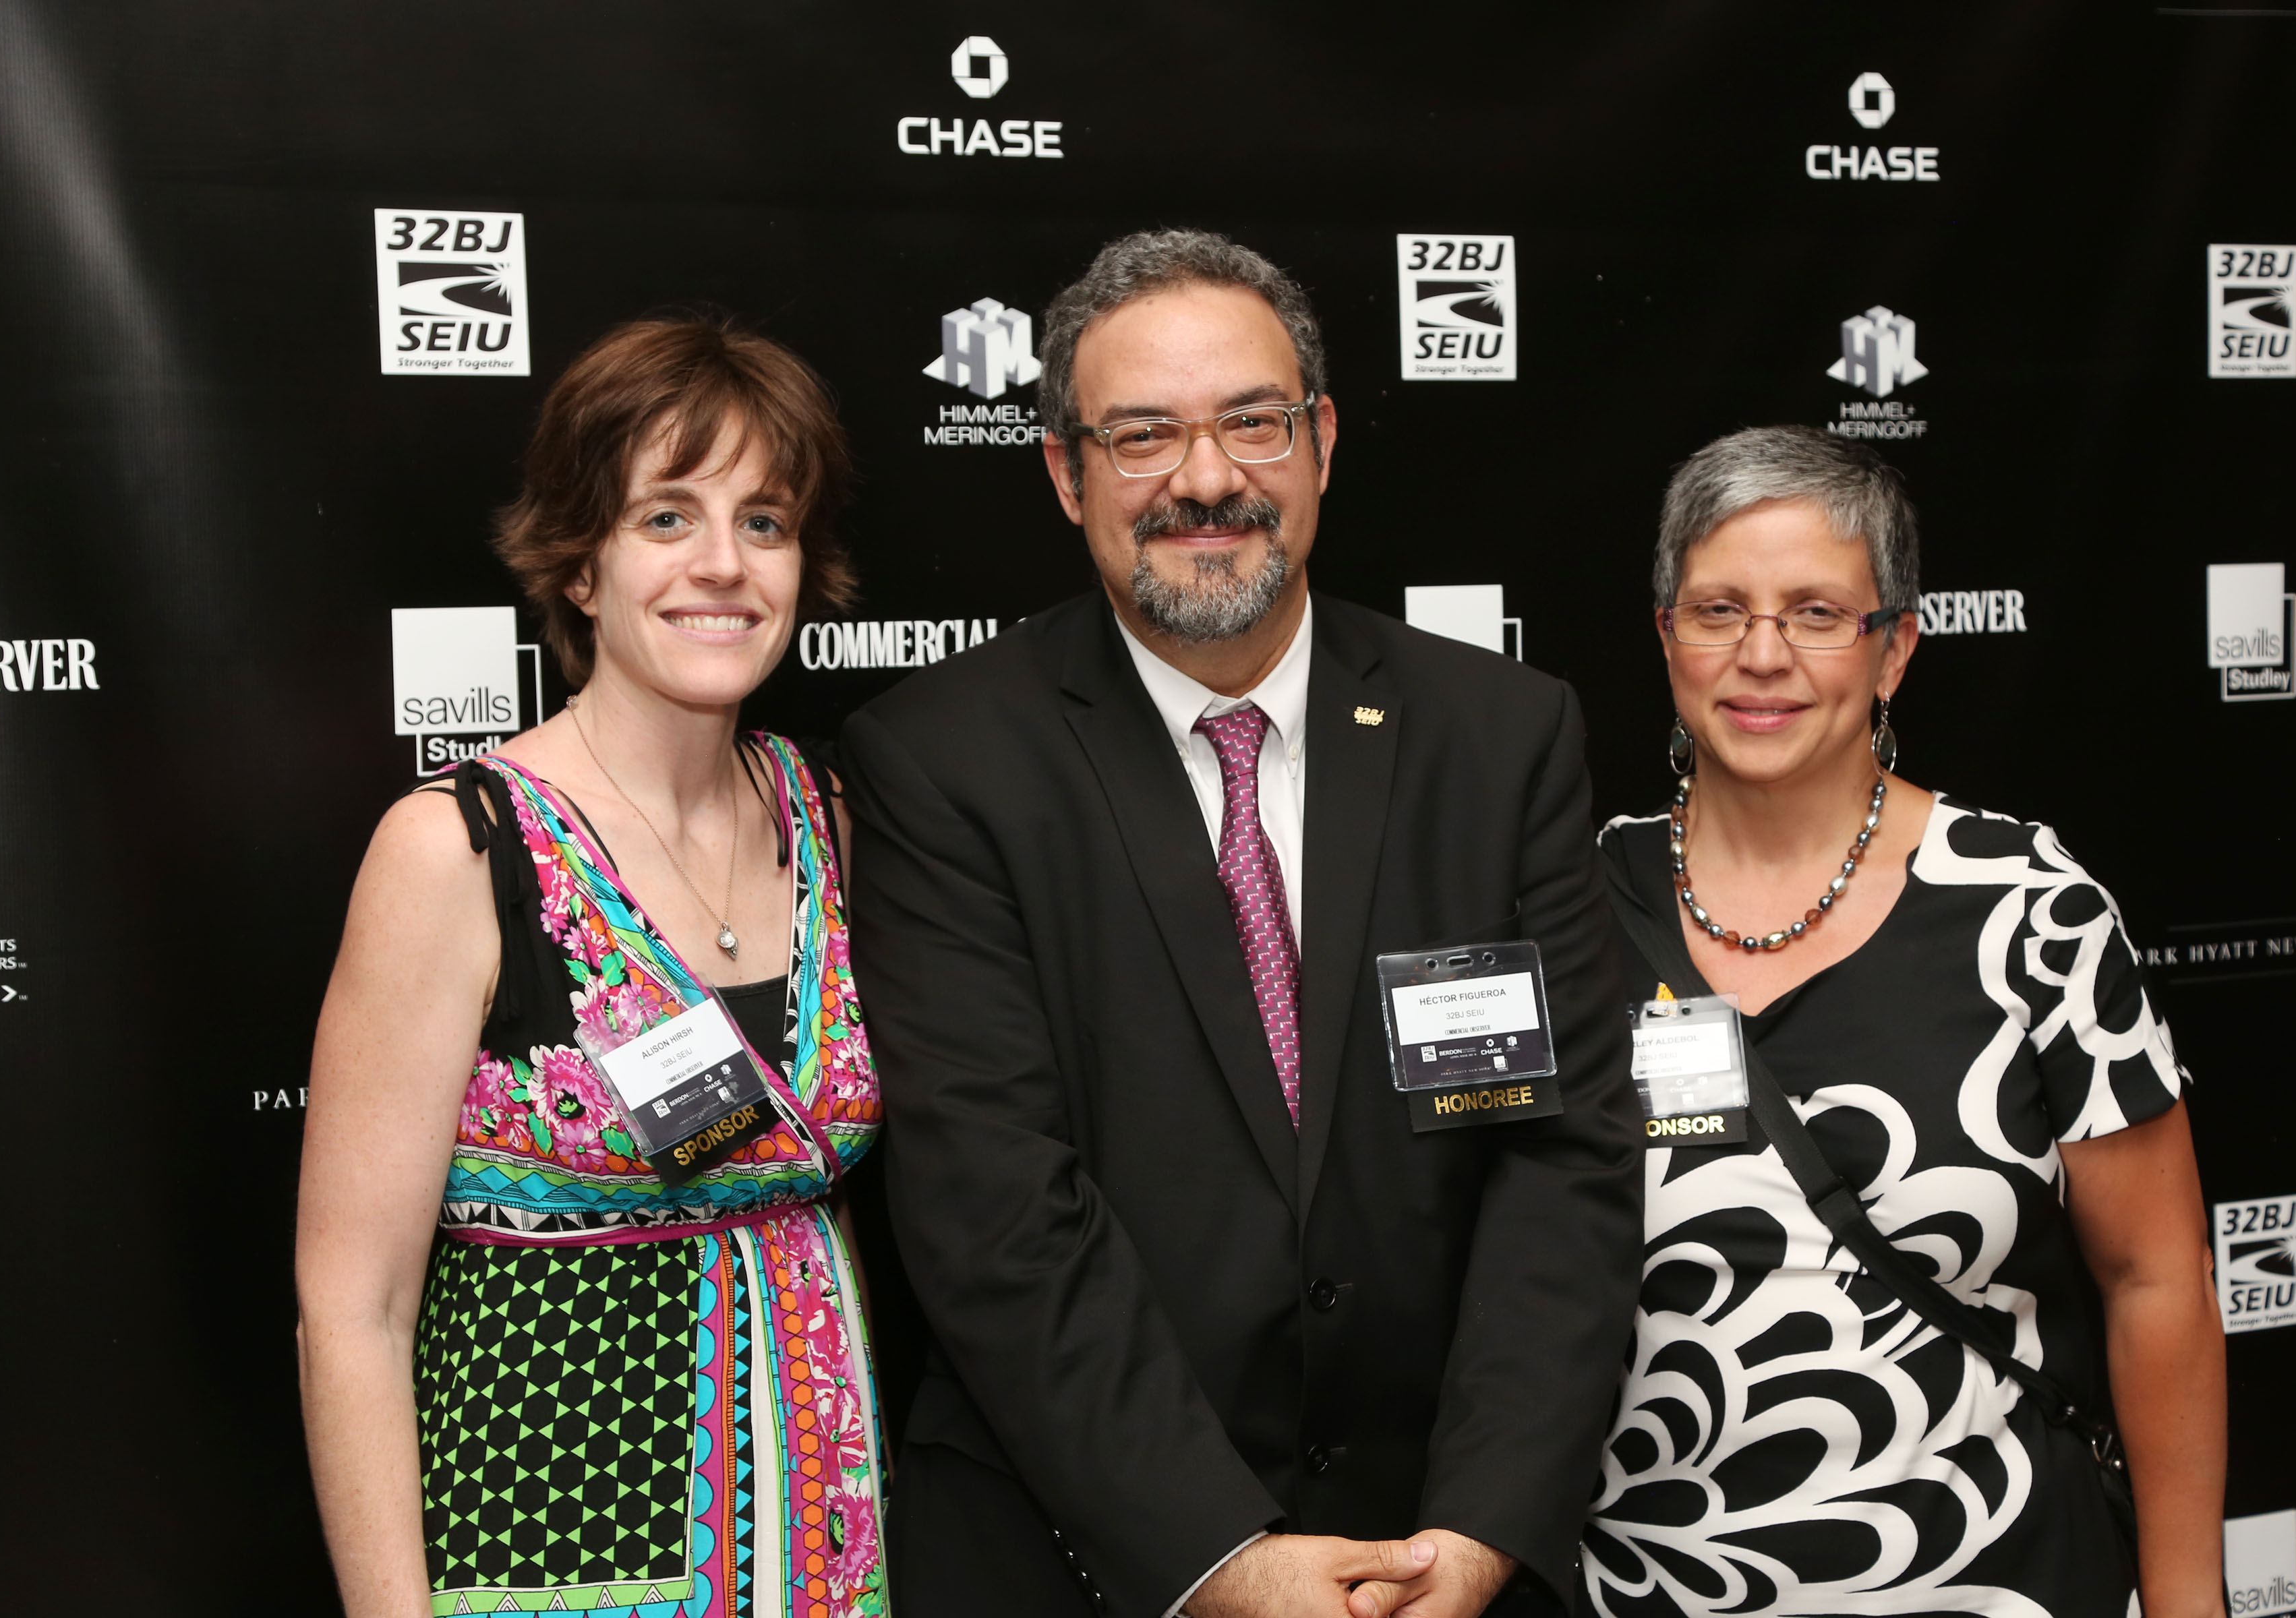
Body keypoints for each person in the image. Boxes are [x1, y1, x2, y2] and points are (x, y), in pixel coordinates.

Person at [840, 229, 1643, 1618]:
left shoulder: (1501, 735)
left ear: (1322, 441)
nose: (1207, 481)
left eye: (1252, 424)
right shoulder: (942, 761)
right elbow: (994, 1210)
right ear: (1064, 470)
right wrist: (1217, 1552)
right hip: (1081, 1553)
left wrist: (1481, 1527)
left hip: (1434, 1564)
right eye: (1142, 435)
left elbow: (1561, 1162)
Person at [296, 316, 889, 1617]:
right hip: (545, 1549)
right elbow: (354, 1311)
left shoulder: (827, 816)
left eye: (767, 522)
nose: (723, 567)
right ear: (582, 564)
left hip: (822, 1547)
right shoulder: (457, 849)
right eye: (666, 519)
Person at [1581, 426, 2225, 1617]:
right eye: (1719, 609)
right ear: (1667, 634)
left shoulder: (2028, 905)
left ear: (1895, 651)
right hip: (1647, 1590)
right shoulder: (1570, 906)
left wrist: (2191, 1602)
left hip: (2001, 1579)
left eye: (1819, 614)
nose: (1762, 655)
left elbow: (2157, 1280)